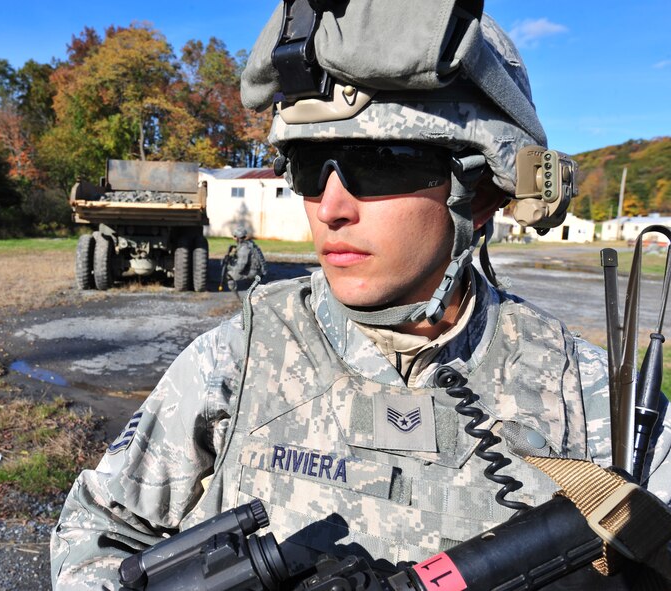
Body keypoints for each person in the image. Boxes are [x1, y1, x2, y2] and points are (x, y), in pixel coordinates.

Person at [51, 3, 671, 590]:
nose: (332, 208)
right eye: (308, 165)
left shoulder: (596, 401)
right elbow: (96, 531)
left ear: (481, 191)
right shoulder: (237, 358)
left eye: (381, 163)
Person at [221, 225, 267, 292]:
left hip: (255, 272)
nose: (233, 238)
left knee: (229, 275)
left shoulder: (244, 248)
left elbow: (240, 267)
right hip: (258, 270)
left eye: (234, 236)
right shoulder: (249, 243)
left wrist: (229, 267)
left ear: (238, 237)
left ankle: (236, 296)